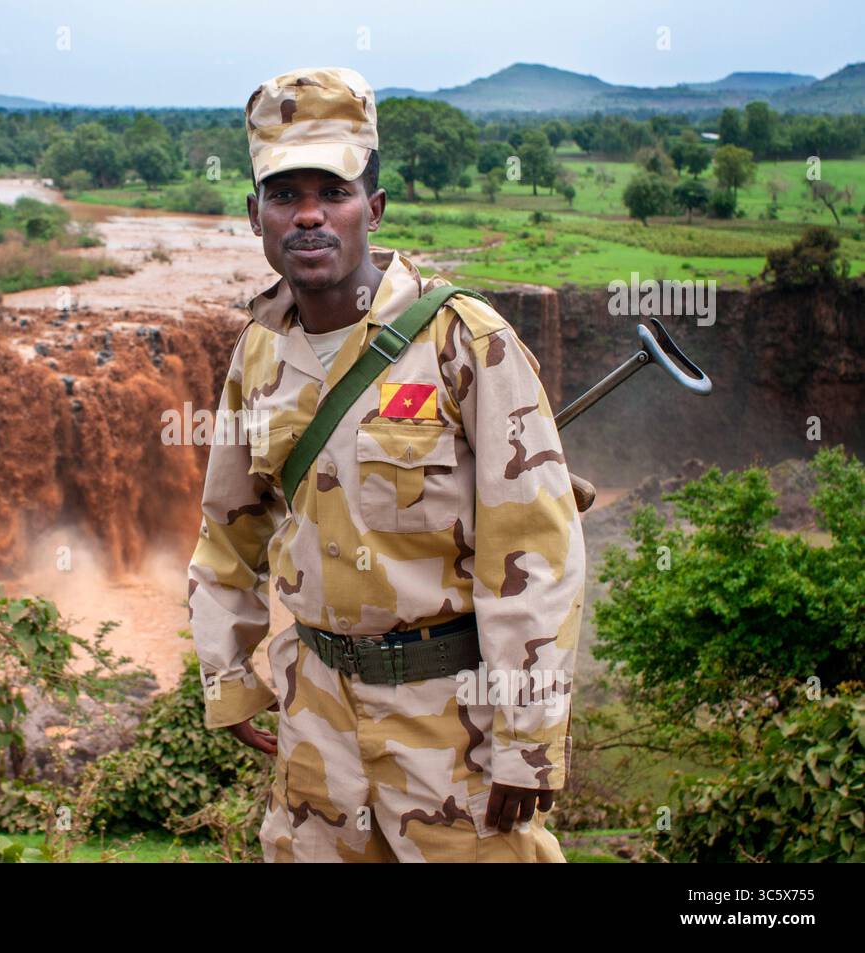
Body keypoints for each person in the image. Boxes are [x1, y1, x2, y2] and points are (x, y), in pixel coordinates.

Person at [185, 66, 586, 862]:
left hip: (452, 726)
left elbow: (535, 552)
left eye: (332, 192)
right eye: (283, 193)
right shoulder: (257, 353)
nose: (308, 215)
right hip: (314, 723)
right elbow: (229, 529)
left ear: (373, 207)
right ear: (254, 215)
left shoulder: (465, 342)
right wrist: (229, 676)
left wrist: (529, 738)